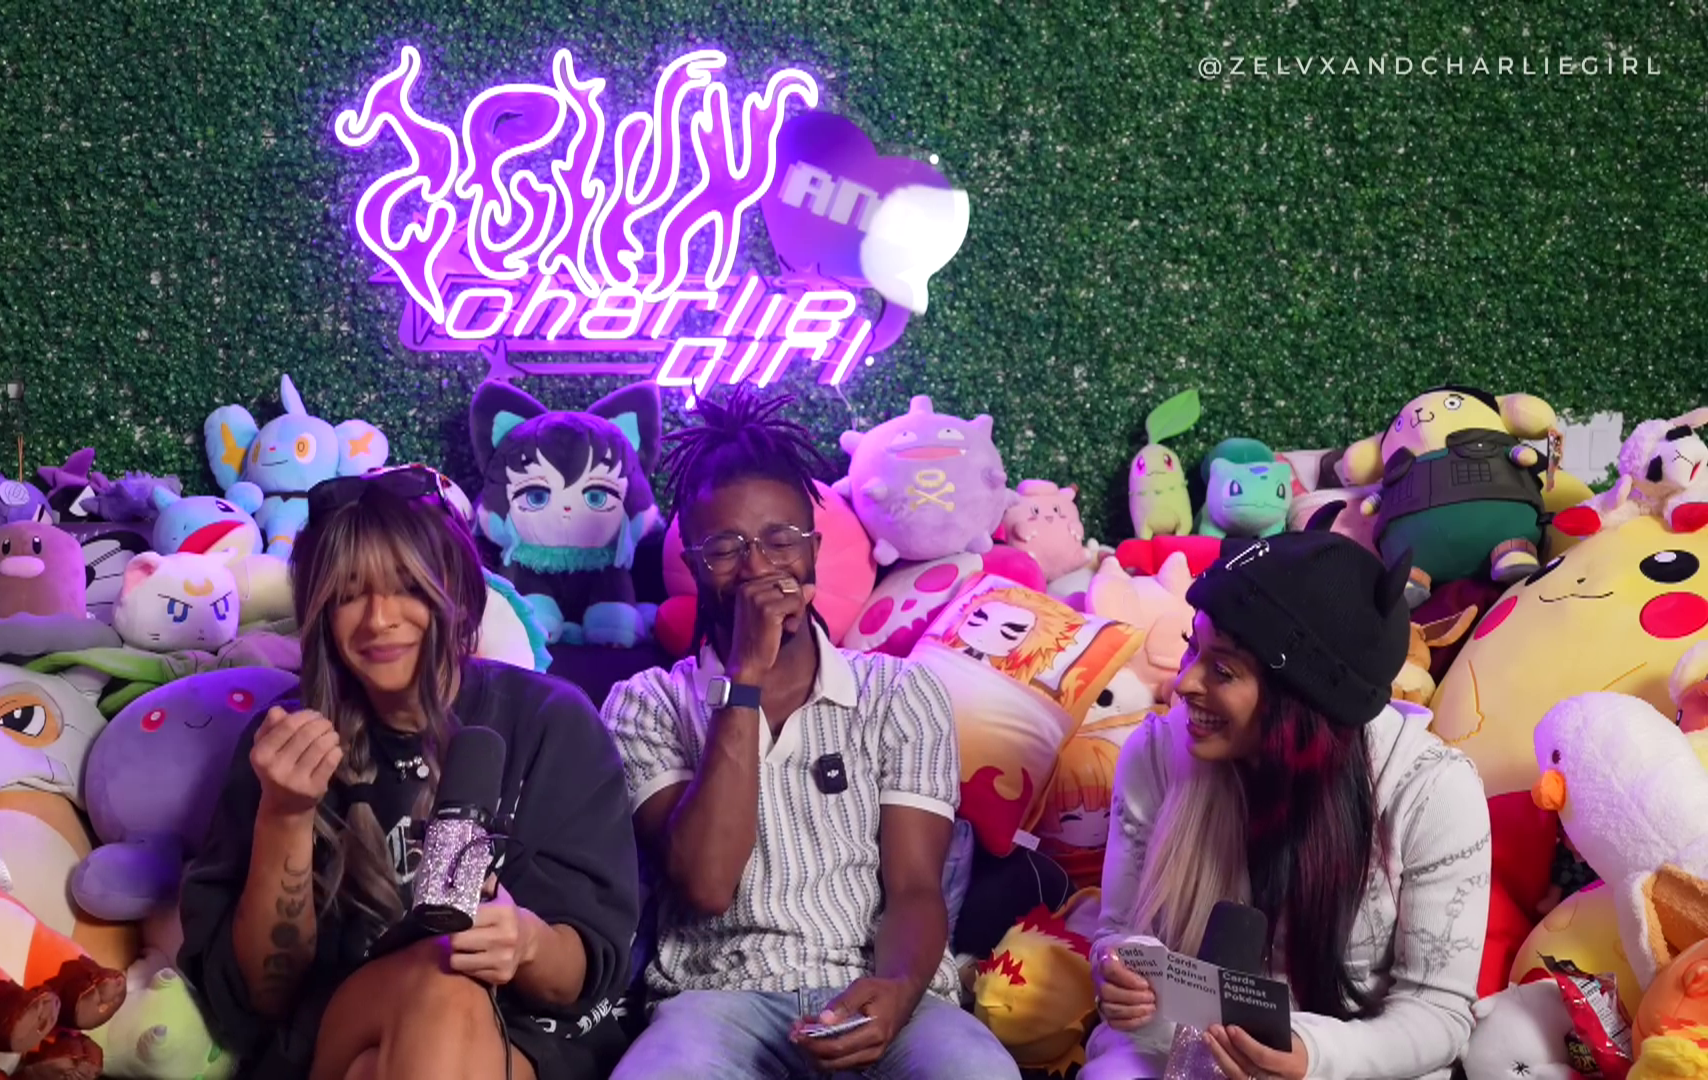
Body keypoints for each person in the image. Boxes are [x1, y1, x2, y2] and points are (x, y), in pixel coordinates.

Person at [602, 391, 1020, 1080]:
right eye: (726, 549)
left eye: (780, 542)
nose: (759, 569)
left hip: (879, 989)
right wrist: (743, 680)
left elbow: (916, 888)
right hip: (717, 1001)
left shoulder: (899, 692)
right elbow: (706, 885)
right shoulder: (646, 705)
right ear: (694, 564)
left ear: (814, 552)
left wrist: (895, 993)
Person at [175, 466, 641, 1080]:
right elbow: (267, 998)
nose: (378, 619)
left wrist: (526, 944)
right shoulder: (285, 740)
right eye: (348, 594)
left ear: (458, 592)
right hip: (344, 1023)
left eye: (407, 587)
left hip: (523, 1043)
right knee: (443, 984)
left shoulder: (550, 722)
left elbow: (584, 970)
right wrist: (284, 816)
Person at [1085, 532, 1493, 1080]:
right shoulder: (1156, 753)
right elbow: (1116, 930)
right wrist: (1117, 969)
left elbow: (1438, 1013)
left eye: (1223, 670)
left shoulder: (1433, 793)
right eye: (1191, 646)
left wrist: (1312, 1057)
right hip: (1172, 1052)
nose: (1183, 682)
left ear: (1300, 703)